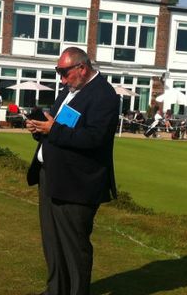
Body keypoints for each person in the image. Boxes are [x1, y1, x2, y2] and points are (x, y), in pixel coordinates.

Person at [26, 46, 119, 295]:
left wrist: (52, 130)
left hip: (78, 183)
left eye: (64, 72)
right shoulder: (69, 91)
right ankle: (55, 290)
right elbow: (57, 128)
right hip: (52, 176)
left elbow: (94, 138)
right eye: (58, 72)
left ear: (82, 68)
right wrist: (40, 128)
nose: (61, 78)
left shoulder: (104, 95)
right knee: (53, 241)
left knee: (74, 245)